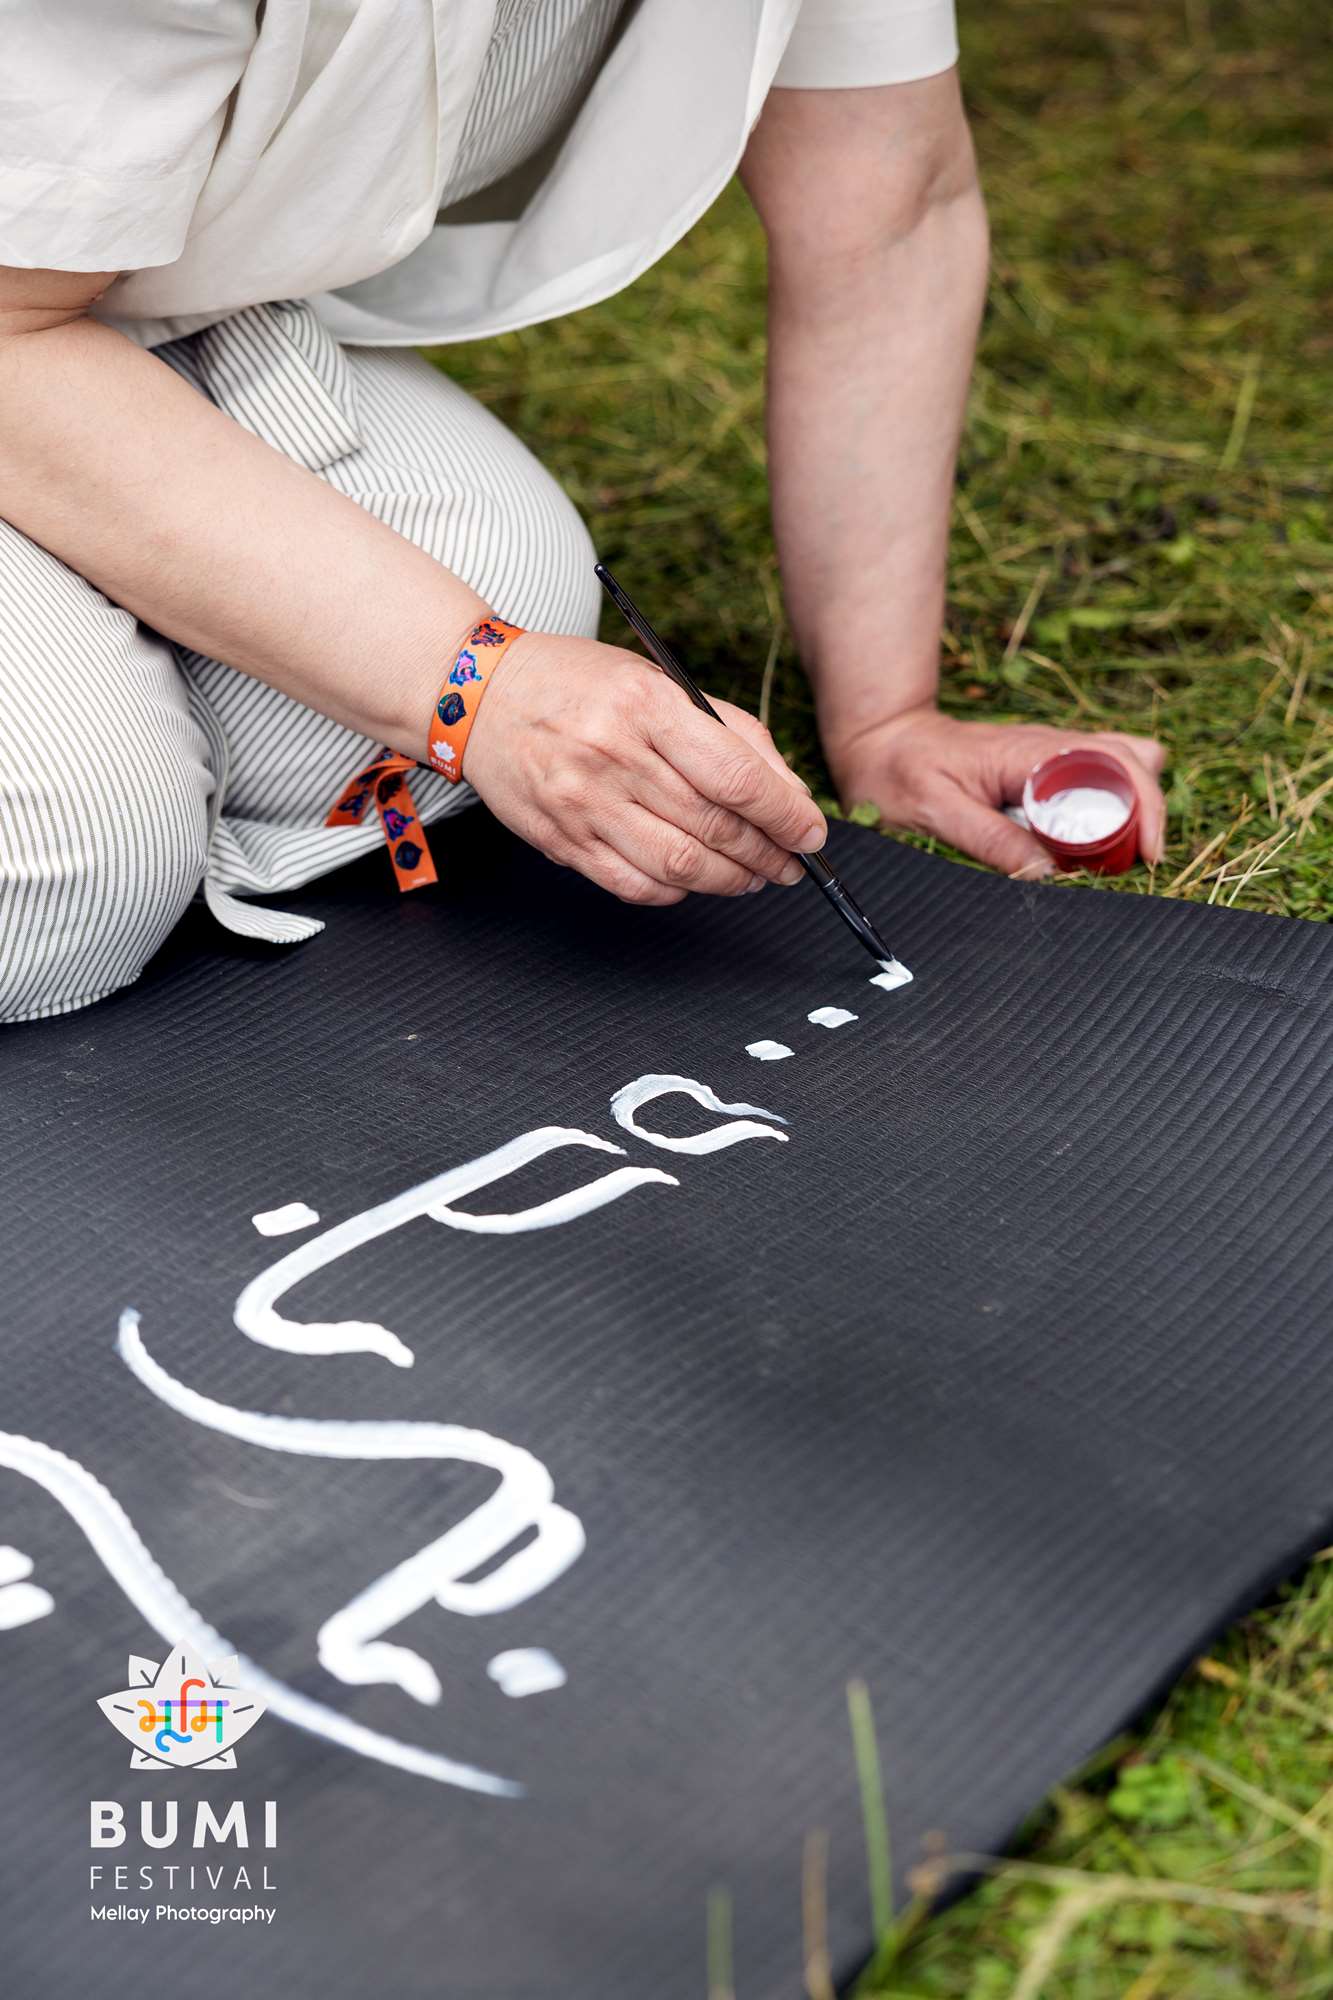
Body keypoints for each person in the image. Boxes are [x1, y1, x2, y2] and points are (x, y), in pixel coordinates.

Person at [0, 0, 1166, 1023]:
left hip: (118, 302)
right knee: (79, 858)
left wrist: (885, 718)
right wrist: (480, 689)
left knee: (497, 613)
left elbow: (888, 199)